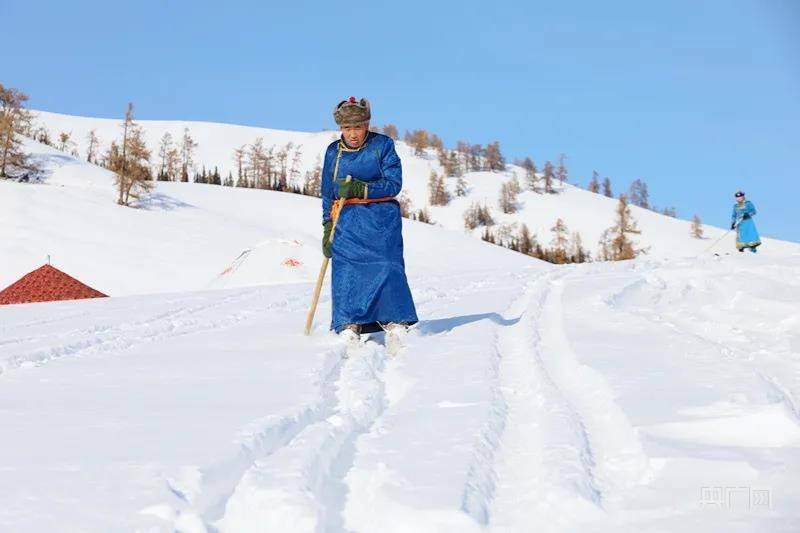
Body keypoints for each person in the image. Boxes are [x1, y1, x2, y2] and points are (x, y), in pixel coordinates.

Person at [320, 97, 418, 341]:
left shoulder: (382, 145)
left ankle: (394, 317)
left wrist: (359, 188)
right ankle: (349, 322)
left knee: (386, 264)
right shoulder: (333, 152)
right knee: (346, 269)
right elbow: (327, 192)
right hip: (346, 220)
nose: (353, 134)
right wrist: (326, 225)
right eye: (347, 128)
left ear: (367, 125)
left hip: (381, 219)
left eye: (358, 127)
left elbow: (394, 184)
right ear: (341, 128)